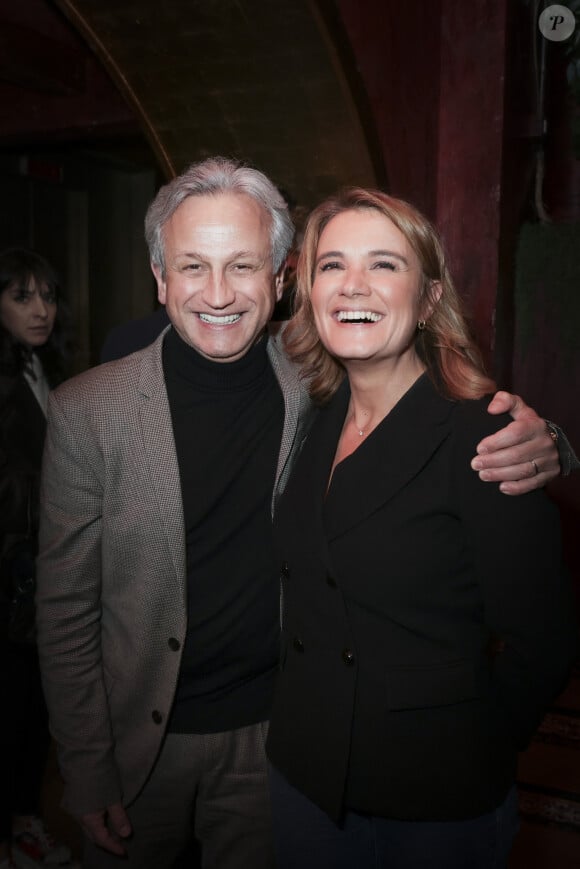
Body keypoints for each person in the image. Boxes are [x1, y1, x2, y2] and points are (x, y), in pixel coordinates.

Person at [36, 158, 563, 869]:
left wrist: (551, 440)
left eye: (243, 266)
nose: (218, 294)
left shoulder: (310, 380)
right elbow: (64, 609)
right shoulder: (90, 408)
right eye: (193, 266)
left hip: (278, 739)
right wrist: (86, 763)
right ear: (161, 278)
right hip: (144, 744)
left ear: (280, 279)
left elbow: (539, 626)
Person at [265, 188, 579, 869]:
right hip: (303, 779)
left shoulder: (485, 434)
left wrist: (476, 745)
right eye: (331, 265)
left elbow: (544, 639)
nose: (353, 285)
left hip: (428, 803)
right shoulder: (314, 414)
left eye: (384, 264)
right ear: (310, 293)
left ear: (429, 297)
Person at [0, 249, 73, 869]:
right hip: (12, 575)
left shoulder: (44, 367)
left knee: (32, 710)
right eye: (22, 297)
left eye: (47, 295)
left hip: (40, 570)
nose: (41, 309)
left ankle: (25, 825)